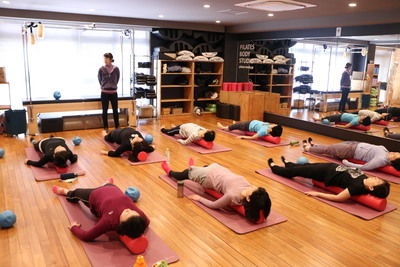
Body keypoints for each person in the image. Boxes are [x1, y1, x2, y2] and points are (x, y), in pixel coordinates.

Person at [161, 160, 271, 223]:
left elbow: (214, 205)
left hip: (207, 176)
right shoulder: (250, 190)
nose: (253, 186)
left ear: (248, 199)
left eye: (253, 189)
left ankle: (169, 172)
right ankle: (193, 168)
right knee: (201, 167)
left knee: (183, 174)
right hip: (218, 169)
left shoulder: (231, 196)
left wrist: (199, 198)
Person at [52, 178, 150, 241]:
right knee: (108, 185)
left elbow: (86, 236)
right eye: (133, 212)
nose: (129, 210)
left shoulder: (109, 221)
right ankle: (105, 184)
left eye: (127, 214)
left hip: (95, 195)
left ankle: (66, 192)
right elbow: (147, 222)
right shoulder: (139, 217)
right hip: (112, 188)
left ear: (121, 225)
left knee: (76, 192)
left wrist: (74, 228)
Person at [267, 157, 390, 201]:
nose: (376, 177)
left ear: (371, 187)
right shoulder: (365, 179)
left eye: (377, 180)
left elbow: (338, 198)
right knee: (306, 166)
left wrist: (316, 193)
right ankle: (289, 164)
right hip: (331, 166)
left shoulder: (357, 187)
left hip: (324, 173)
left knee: (295, 172)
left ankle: (275, 168)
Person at [303, 138, 400, 171]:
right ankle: (315, 145)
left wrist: (347, 163)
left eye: (395, 156)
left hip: (351, 151)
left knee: (328, 150)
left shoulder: (381, 160)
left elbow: (365, 167)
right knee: (332, 147)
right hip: (356, 144)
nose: (394, 153)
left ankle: (308, 148)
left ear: (392, 161)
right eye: (397, 153)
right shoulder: (386, 152)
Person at [98, 52, 120, 132]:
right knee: (104, 110)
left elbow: (117, 79)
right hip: (104, 93)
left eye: (106, 58)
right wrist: (105, 86)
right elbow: (100, 80)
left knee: (115, 110)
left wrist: (112, 86)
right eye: (104, 58)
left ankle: (117, 126)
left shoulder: (116, 69)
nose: (105, 60)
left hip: (113, 93)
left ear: (110, 59)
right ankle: (105, 127)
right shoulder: (101, 69)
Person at [217, 120, 283, 139]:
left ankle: (223, 127)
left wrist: (242, 136)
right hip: (250, 123)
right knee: (237, 126)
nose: (274, 124)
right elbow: (265, 125)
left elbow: (253, 137)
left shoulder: (263, 131)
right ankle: (235, 125)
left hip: (247, 126)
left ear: (271, 130)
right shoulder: (268, 126)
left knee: (231, 127)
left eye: (275, 125)